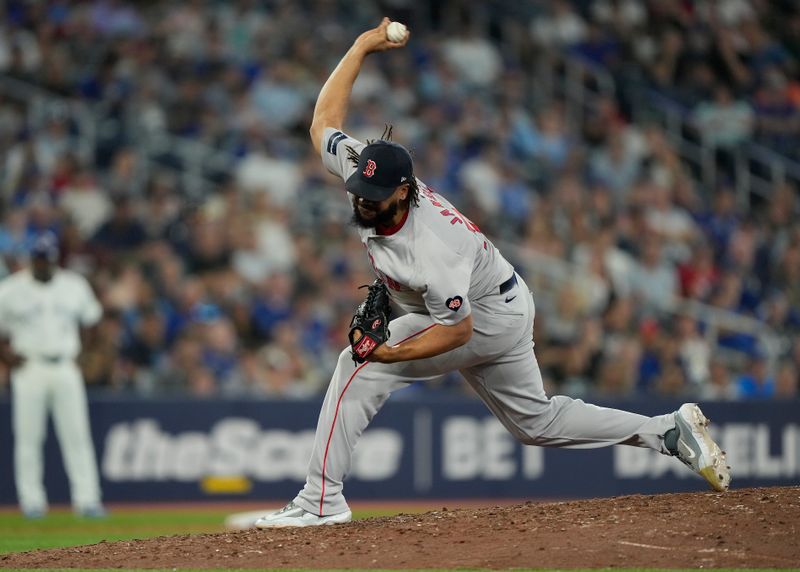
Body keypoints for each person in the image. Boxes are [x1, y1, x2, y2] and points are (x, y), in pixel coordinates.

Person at [255, 19, 731, 528]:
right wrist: (360, 46)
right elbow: (322, 121)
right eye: (360, 190)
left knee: (358, 366)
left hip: (479, 315)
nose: (363, 202)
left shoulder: (432, 247)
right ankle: (666, 431)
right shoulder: (364, 171)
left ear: (402, 192)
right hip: (502, 296)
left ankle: (320, 500)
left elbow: (457, 330)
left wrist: (391, 351)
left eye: (375, 198)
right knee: (536, 422)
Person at [0, 232, 106, 518]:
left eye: (46, 259)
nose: (42, 264)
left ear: (54, 259)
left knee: (77, 436)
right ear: (31, 259)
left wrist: (85, 354)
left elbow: (92, 320)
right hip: (29, 367)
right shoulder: (10, 289)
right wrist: (8, 357)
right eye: (38, 259)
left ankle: (88, 501)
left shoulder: (73, 285)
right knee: (28, 439)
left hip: (65, 365)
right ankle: (32, 502)